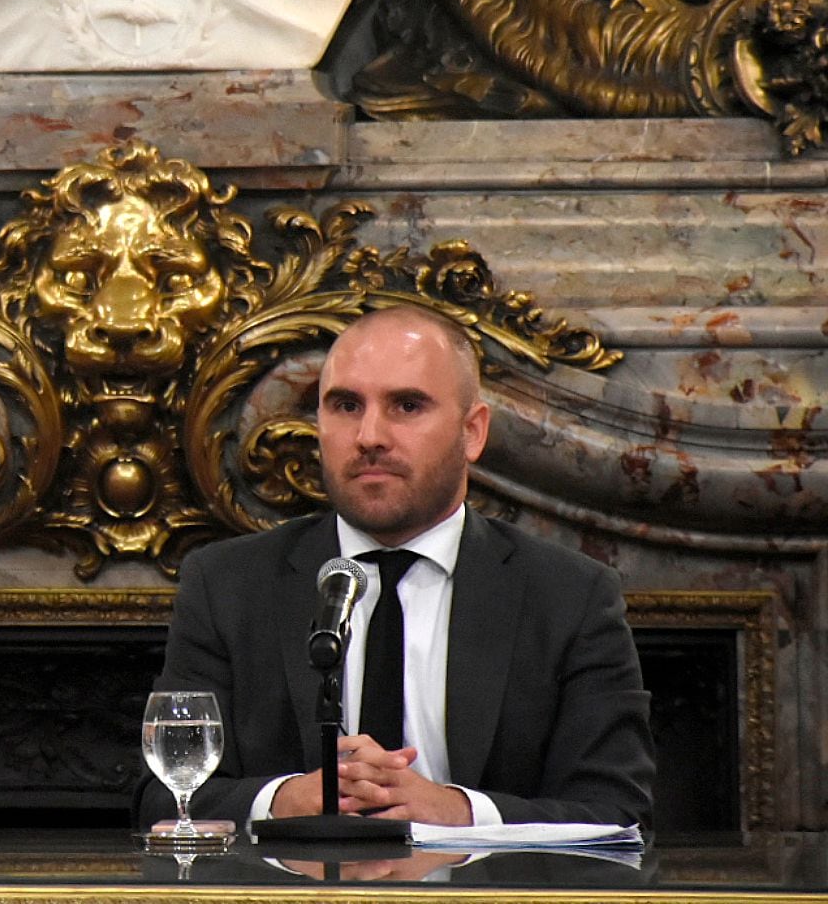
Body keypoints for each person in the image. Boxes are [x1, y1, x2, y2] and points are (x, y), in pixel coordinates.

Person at [139, 303, 653, 828]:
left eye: (407, 406)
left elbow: (616, 811)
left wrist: (456, 810)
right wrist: (287, 800)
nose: (369, 436)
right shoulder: (226, 585)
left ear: (472, 432)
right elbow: (161, 797)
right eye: (345, 406)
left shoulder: (571, 595)